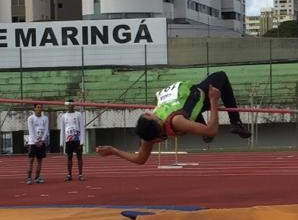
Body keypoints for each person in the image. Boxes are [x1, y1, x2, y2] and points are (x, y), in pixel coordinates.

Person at [97, 71, 253, 166]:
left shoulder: (148, 136)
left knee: (189, 109)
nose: (151, 112)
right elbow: (213, 131)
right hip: (201, 97)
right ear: (156, 121)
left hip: (188, 104)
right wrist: (213, 101)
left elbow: (140, 159)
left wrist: (113, 151)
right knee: (221, 76)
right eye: (151, 116)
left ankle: (200, 125)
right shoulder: (175, 121)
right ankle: (236, 122)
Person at [60, 102, 86, 181]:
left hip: (77, 139)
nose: (70, 106)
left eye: (72, 104)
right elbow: (62, 129)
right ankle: (69, 175)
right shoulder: (64, 116)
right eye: (69, 105)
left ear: (74, 105)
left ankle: (80, 174)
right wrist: (61, 143)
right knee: (69, 157)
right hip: (69, 140)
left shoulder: (78, 114)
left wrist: (82, 141)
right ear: (67, 106)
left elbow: (82, 128)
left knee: (79, 157)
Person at [26, 103, 50, 184]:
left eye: (41, 107)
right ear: (35, 108)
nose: (40, 109)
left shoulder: (45, 118)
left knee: (39, 160)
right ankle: (29, 178)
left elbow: (46, 130)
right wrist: (36, 141)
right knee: (31, 160)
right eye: (38, 107)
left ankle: (37, 177)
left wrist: (42, 140)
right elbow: (31, 130)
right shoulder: (30, 118)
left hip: (41, 142)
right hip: (32, 142)